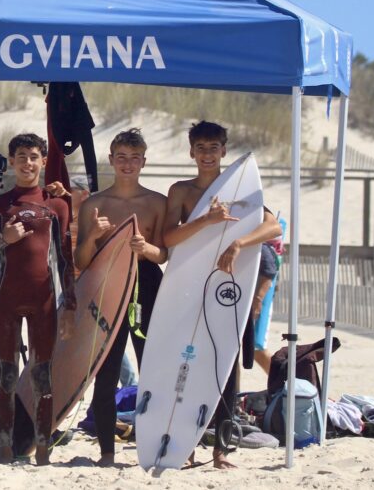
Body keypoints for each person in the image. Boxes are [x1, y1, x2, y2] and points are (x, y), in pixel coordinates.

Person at [162, 120, 282, 469]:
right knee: (187, 364)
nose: (207, 155)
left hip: (231, 288)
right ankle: (185, 447)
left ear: (224, 151)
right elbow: (169, 238)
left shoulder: (240, 188)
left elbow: (273, 226)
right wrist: (206, 220)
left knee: (226, 367)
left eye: (213, 148)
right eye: (200, 148)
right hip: (190, 287)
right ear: (191, 152)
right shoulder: (181, 191)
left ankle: (221, 450)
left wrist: (239, 242)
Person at [0, 132, 76, 466]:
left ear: (43, 161)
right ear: (11, 162)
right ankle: (4, 447)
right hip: (7, 301)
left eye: (33, 157)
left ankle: (43, 450)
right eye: (21, 157)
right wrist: (4, 239)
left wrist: (70, 306)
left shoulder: (57, 205)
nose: (27, 164)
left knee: (42, 375)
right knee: (6, 374)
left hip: (44, 300)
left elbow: (66, 260)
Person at [74, 128, 167, 466]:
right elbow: (81, 261)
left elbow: (164, 253)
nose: (128, 164)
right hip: (108, 286)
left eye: (134, 158)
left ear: (144, 162)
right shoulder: (95, 204)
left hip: (147, 284)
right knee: (106, 370)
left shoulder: (157, 202)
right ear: (111, 160)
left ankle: (156, 445)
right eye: (122, 158)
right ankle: (107, 453)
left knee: (153, 368)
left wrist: (146, 248)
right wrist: (93, 237)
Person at [252, 219, 286, 373]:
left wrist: (258, 299)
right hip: (251, 301)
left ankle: (286, 383)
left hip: (259, 301)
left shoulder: (262, 245)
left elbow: (269, 272)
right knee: (235, 353)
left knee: (257, 349)